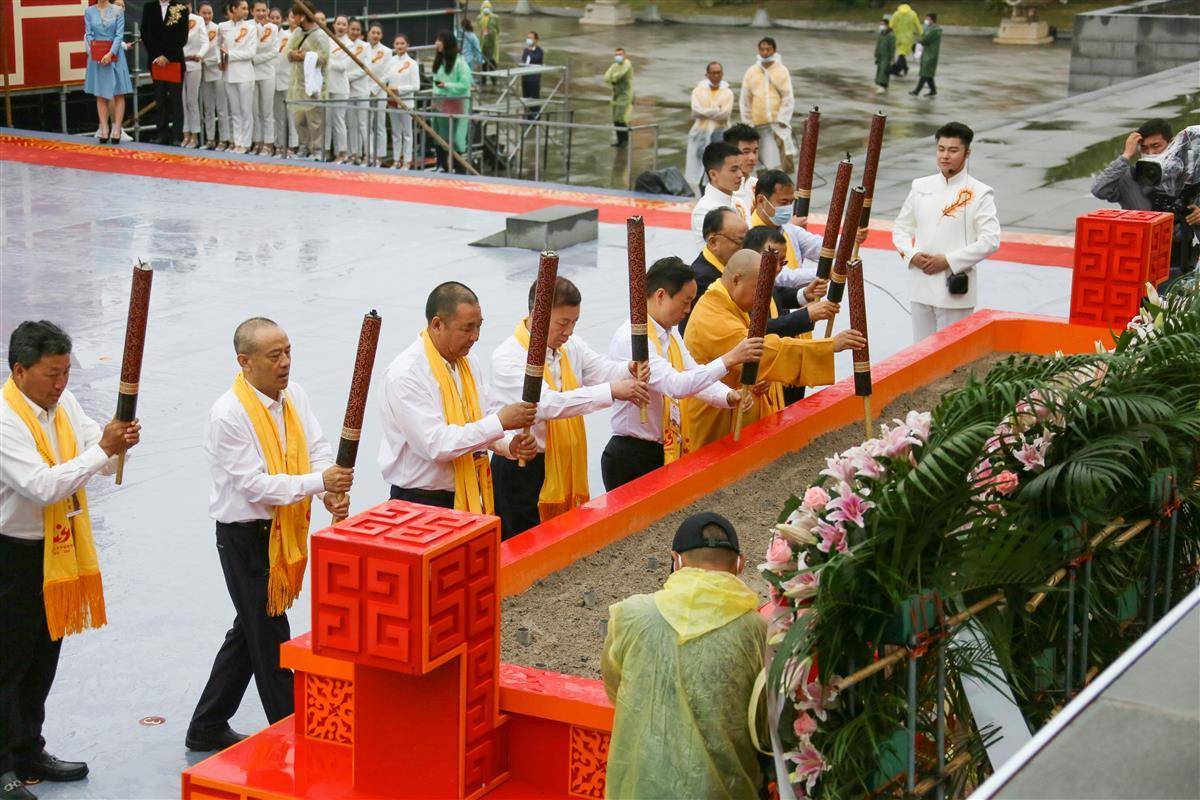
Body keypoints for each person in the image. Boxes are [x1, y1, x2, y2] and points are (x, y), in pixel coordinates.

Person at [186, 317, 350, 754]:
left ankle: (207, 725)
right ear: (244, 361)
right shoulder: (228, 414)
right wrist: (319, 483)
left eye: (288, 351)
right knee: (271, 639)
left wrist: (326, 487)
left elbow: (314, 449)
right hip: (245, 538)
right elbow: (255, 485)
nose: (285, 363)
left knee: (250, 632)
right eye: (274, 355)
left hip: (280, 528)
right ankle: (298, 730)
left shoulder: (294, 395)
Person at [0, 321, 141, 800]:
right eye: (50, 374)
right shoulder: (4, 418)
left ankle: (28, 748)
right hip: (12, 557)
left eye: (65, 373)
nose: (61, 384)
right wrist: (104, 448)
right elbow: (43, 486)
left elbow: (90, 449)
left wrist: (116, 442)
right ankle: (1, 767)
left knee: (43, 656)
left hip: (55, 551)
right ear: (19, 371)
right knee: (7, 664)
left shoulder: (61, 405)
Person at [601, 512, 766, 799]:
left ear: (676, 560)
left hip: (639, 788)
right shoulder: (757, 631)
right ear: (740, 564)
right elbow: (762, 723)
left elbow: (615, 688)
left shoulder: (630, 615)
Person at [489, 277, 648, 538]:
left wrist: (627, 370)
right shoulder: (508, 356)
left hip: (562, 459)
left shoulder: (571, 346)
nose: (570, 331)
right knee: (523, 542)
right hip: (524, 464)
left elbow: (601, 370)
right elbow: (546, 404)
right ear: (537, 316)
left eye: (574, 322)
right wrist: (611, 391)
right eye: (563, 323)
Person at [603, 258, 763, 490]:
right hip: (632, 455)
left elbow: (692, 372)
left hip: (663, 448)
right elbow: (675, 385)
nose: (687, 310)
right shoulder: (633, 339)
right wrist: (730, 359)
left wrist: (727, 396)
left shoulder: (670, 334)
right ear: (660, 296)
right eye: (685, 302)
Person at [378, 282, 537, 511]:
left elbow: (484, 415)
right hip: (421, 500)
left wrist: (509, 445)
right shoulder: (406, 375)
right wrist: (500, 422)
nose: (475, 337)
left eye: (479, 326)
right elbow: (437, 445)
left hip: (471, 489)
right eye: (467, 328)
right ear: (437, 325)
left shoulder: (468, 362)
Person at [683, 249, 862, 449]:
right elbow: (763, 352)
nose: (764, 300)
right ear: (736, 280)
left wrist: (757, 379)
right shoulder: (713, 316)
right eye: (758, 290)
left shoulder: (728, 301)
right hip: (715, 415)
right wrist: (829, 346)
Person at [890, 122, 1001, 341]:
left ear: (967, 153)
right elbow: (900, 229)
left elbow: (990, 240)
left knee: (952, 358)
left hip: (955, 290)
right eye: (941, 149)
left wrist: (948, 261)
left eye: (953, 150)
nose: (945, 156)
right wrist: (912, 256)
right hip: (921, 285)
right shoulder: (920, 186)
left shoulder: (980, 193)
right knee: (920, 353)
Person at [1091, 119, 1200, 278]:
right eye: (1144, 148)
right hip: (1137, 266)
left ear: (1171, 144)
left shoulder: (1188, 179)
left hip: (1179, 269)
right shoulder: (1131, 177)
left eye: (1156, 146)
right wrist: (1126, 155)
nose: (1151, 153)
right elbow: (1099, 189)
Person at [688, 206, 748, 329]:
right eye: (739, 243)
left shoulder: (731, 266)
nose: (745, 249)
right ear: (713, 242)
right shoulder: (703, 279)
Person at [738, 37, 792, 171]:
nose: (765, 52)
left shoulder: (782, 71)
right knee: (760, 162)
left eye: (768, 49)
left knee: (780, 161)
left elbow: (788, 97)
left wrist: (783, 118)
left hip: (776, 124)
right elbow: (745, 98)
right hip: (757, 124)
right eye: (762, 49)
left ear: (774, 50)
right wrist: (747, 122)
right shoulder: (752, 71)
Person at [83, 0, 133, 145]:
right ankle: (104, 129)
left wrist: (110, 53)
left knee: (118, 92)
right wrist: (97, 54)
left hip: (115, 55)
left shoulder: (118, 10)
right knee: (100, 93)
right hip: (97, 57)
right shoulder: (89, 11)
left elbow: (119, 35)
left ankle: (117, 128)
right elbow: (89, 34)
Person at [284, 1, 329, 162]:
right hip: (297, 83)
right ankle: (303, 147)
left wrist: (306, 56)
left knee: (315, 120)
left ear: (302, 16)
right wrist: (293, 54)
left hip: (314, 84)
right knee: (299, 119)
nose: (293, 19)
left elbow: (324, 57)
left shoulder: (320, 34)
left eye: (295, 15)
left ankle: (317, 150)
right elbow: (287, 51)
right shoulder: (297, 33)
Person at [142, 0, 190, 145]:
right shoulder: (149, 7)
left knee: (176, 100)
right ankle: (161, 134)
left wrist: (167, 56)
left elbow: (182, 37)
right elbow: (145, 33)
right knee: (160, 99)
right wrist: (158, 56)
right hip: (156, 62)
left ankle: (177, 135)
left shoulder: (180, 8)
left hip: (174, 61)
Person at [685, 62, 733, 190]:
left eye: (718, 73)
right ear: (707, 74)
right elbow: (695, 111)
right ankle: (701, 193)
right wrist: (715, 110)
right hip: (700, 134)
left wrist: (705, 111)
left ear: (722, 74)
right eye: (713, 73)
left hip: (719, 134)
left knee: (717, 168)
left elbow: (725, 115)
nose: (716, 75)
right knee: (701, 168)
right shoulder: (698, 91)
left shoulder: (727, 93)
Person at [431, 30, 472, 173]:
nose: (436, 43)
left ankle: (459, 169)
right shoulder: (439, 61)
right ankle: (441, 166)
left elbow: (465, 85)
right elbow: (435, 84)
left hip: (455, 104)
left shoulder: (460, 63)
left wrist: (447, 86)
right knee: (438, 135)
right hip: (439, 103)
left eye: (439, 40)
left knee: (455, 139)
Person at [691, 142, 747, 245]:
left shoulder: (738, 201)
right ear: (713, 174)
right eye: (734, 170)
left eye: (740, 168)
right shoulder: (704, 211)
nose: (740, 175)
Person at [220, 0, 257, 154]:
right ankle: (237, 141)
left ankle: (246, 143)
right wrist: (219, 60)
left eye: (247, 8)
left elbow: (251, 52)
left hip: (245, 74)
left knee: (245, 110)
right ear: (233, 9)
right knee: (234, 111)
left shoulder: (251, 27)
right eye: (243, 8)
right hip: (229, 73)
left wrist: (230, 55)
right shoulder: (223, 26)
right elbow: (218, 47)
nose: (246, 11)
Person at [385, 33, 420, 170]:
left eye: (402, 43)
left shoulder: (413, 64)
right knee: (395, 132)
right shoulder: (391, 61)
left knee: (407, 133)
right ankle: (395, 159)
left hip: (406, 102)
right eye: (397, 44)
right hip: (393, 102)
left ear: (408, 46)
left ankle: (407, 160)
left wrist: (399, 90)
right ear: (394, 46)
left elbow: (416, 86)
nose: (399, 46)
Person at [179, 1, 210, 147]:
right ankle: (185, 133)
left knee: (192, 100)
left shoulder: (198, 20)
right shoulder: (173, 18)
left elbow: (205, 42)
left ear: (191, 6)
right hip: (178, 63)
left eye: (187, 5)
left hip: (193, 62)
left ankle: (195, 135)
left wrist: (200, 54)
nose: (185, 8)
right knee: (182, 100)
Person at [249, 0, 278, 155]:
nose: (261, 14)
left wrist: (255, 59)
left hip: (267, 73)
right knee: (254, 111)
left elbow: (274, 51)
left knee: (267, 111)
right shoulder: (247, 27)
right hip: (251, 73)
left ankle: (268, 143)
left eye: (263, 10)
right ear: (252, 11)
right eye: (257, 10)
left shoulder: (273, 28)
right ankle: (257, 141)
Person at [322, 16, 351, 163]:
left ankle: (342, 152)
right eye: (338, 23)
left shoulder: (349, 44)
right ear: (333, 25)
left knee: (339, 120)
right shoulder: (328, 40)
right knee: (326, 120)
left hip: (340, 87)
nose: (340, 26)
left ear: (347, 27)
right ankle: (326, 150)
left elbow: (343, 66)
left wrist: (328, 61)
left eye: (343, 24)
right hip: (327, 85)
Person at [363, 24, 392, 167]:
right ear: (368, 33)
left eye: (378, 33)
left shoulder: (387, 51)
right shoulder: (363, 47)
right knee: (366, 123)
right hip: (363, 89)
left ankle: (380, 156)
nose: (375, 35)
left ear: (381, 36)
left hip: (380, 91)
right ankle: (368, 154)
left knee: (379, 124)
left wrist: (374, 88)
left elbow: (387, 74)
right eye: (373, 32)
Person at [271, 10, 297, 158]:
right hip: (272, 80)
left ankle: (292, 146)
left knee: (291, 116)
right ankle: (279, 145)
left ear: (283, 20)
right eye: (272, 18)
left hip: (288, 80)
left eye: (277, 18)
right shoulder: (266, 35)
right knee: (278, 116)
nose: (275, 20)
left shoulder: (290, 37)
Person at [344, 19, 370, 164]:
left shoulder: (365, 46)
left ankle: (367, 154)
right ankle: (354, 154)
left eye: (357, 30)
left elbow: (365, 68)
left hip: (361, 90)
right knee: (351, 124)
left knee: (363, 124)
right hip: (347, 90)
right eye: (352, 29)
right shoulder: (343, 44)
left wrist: (347, 77)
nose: (354, 32)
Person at [199, 2, 223, 148]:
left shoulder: (217, 28)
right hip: (202, 72)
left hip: (217, 71)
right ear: (198, 13)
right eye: (204, 13)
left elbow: (220, 50)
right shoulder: (194, 28)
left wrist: (205, 61)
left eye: (209, 13)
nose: (207, 16)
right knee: (208, 108)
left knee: (221, 108)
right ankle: (210, 139)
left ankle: (223, 139)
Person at [724, 123, 761, 217]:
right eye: (746, 152)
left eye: (755, 151)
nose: (752, 157)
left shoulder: (760, 186)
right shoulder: (723, 191)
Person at [604, 48, 634, 148]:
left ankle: (625, 140)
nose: (618, 56)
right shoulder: (614, 65)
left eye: (620, 54)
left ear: (624, 55)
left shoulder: (627, 64)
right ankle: (619, 140)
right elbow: (606, 76)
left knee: (621, 118)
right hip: (616, 95)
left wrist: (613, 78)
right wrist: (612, 78)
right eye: (616, 54)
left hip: (625, 95)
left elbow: (619, 75)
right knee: (616, 119)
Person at [911, 12, 940, 97]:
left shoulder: (935, 30)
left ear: (932, 20)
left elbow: (925, 40)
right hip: (926, 53)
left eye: (927, 19)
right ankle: (933, 90)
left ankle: (916, 91)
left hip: (931, 55)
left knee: (924, 73)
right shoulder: (929, 28)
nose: (926, 21)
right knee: (928, 75)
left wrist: (918, 42)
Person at [889, 3, 921, 77]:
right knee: (902, 55)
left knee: (901, 54)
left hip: (899, 38)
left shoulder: (896, 14)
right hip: (908, 38)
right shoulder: (913, 14)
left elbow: (891, 25)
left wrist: (888, 33)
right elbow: (918, 25)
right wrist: (921, 34)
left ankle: (899, 69)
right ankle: (904, 67)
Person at [476, 0, 501, 85]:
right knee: (483, 62)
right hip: (483, 42)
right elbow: (478, 29)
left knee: (492, 61)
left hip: (492, 42)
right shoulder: (479, 18)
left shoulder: (495, 17)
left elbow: (498, 30)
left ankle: (494, 80)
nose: (486, 9)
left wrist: (491, 33)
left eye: (488, 7)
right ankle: (483, 80)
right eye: (485, 7)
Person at [519, 31, 544, 113]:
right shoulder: (525, 50)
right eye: (528, 38)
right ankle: (526, 118)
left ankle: (535, 119)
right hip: (525, 78)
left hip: (534, 80)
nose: (528, 40)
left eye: (531, 38)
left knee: (534, 101)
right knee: (525, 100)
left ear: (536, 40)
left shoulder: (539, 51)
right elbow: (523, 61)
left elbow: (535, 59)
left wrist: (530, 51)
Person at [874, 15, 895, 94]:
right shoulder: (881, 33)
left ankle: (882, 85)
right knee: (880, 70)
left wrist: (892, 57)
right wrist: (876, 53)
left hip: (886, 56)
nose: (881, 26)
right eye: (880, 24)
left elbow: (892, 47)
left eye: (882, 24)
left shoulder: (891, 35)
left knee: (884, 70)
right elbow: (878, 44)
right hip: (880, 55)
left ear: (887, 25)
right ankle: (882, 85)